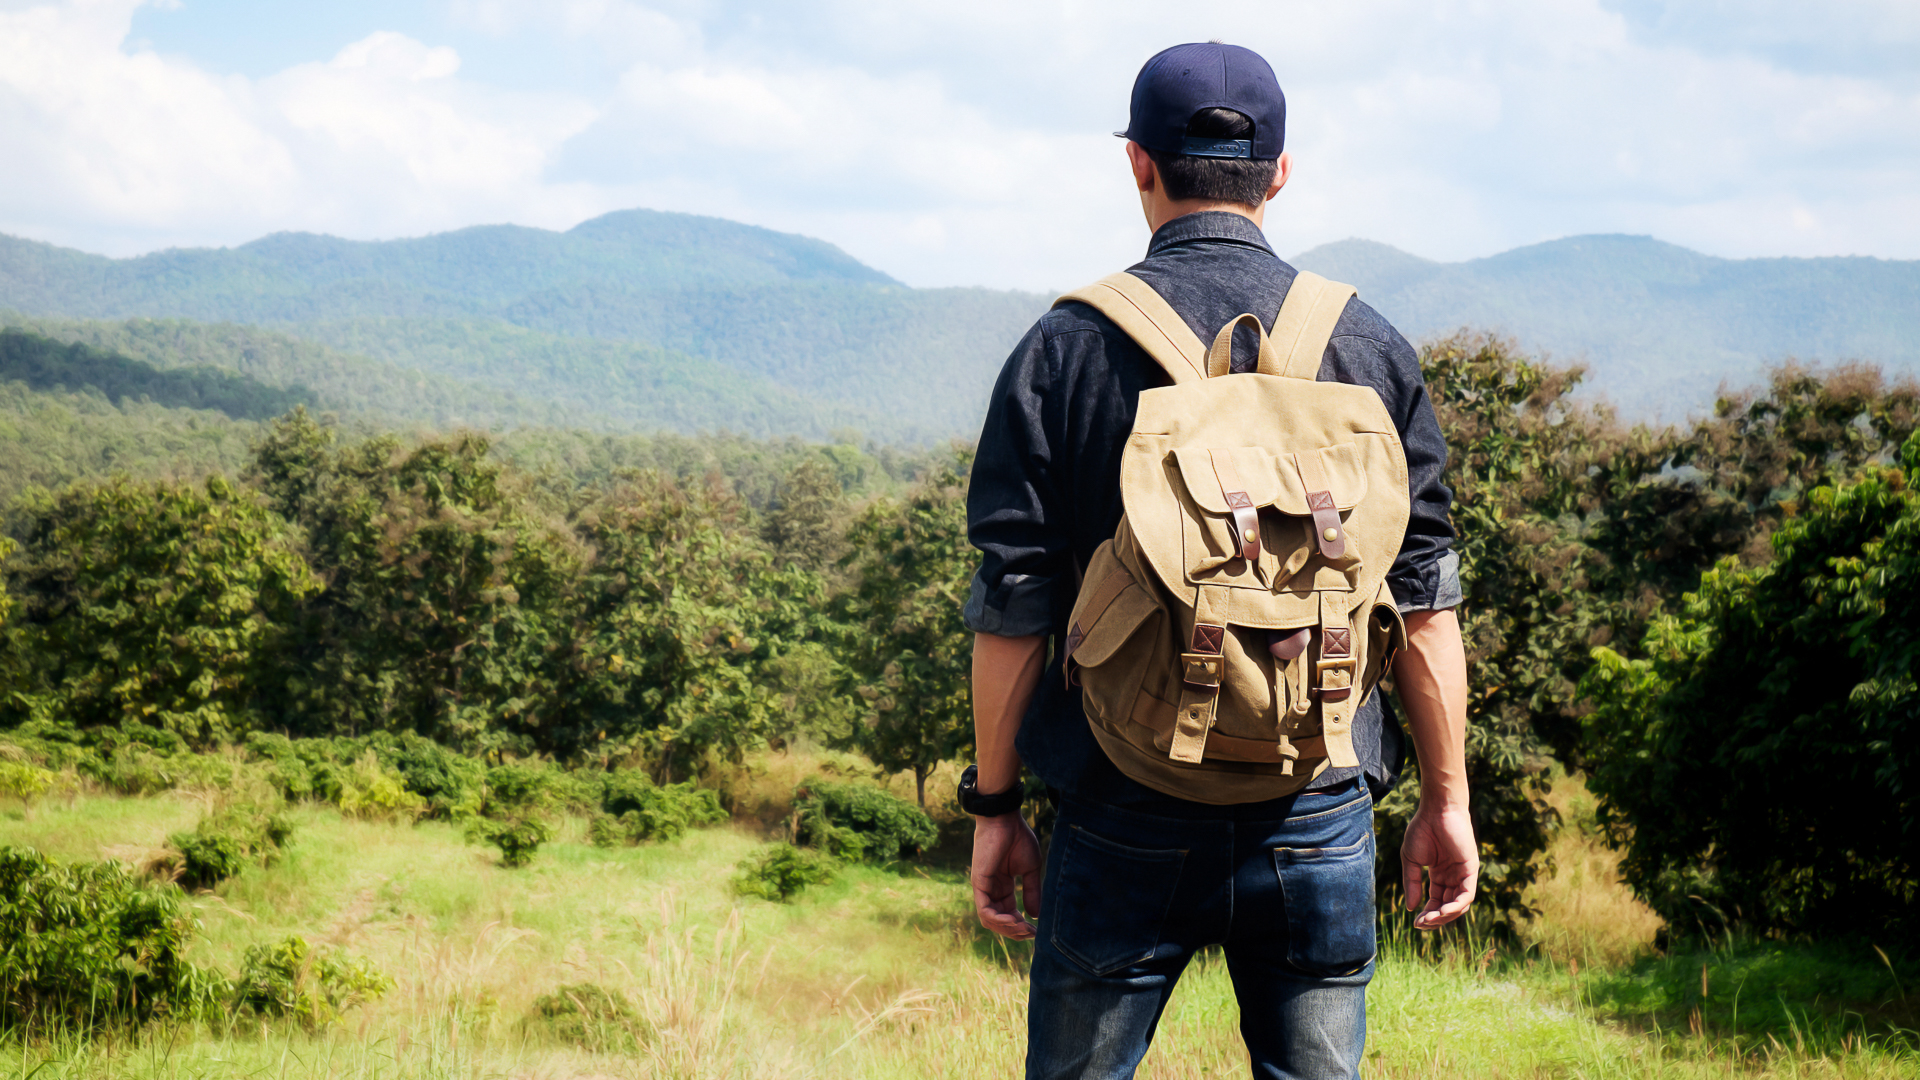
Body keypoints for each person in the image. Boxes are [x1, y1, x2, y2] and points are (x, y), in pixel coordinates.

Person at [957, 41, 1480, 1079]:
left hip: (1119, 796)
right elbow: (1423, 603)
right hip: (1317, 791)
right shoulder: (1368, 347)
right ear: (1280, 174)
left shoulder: (1065, 349)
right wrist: (1447, 800)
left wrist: (997, 807)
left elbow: (1014, 608)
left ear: (1138, 164)